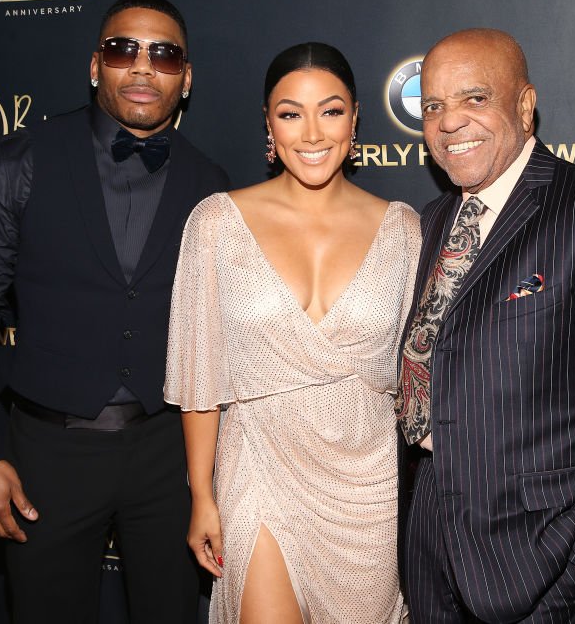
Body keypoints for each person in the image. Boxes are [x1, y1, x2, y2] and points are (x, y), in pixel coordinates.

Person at [0, 0, 228, 623]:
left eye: (165, 55)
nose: (144, 68)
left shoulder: (212, 186)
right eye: (125, 50)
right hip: (48, 452)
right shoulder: (21, 162)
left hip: (167, 455)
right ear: (96, 64)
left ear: (187, 78)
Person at [396, 28, 575, 623]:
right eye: (433, 106)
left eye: (474, 98)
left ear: (525, 106)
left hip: (540, 564)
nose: (450, 122)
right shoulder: (430, 221)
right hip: (428, 542)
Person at [165, 42, 419, 623]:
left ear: (356, 118)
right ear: (268, 123)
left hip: (367, 479)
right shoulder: (216, 223)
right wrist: (202, 496)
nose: (311, 133)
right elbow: (200, 374)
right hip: (259, 463)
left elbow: (417, 377)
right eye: (290, 113)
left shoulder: (402, 228)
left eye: (330, 111)